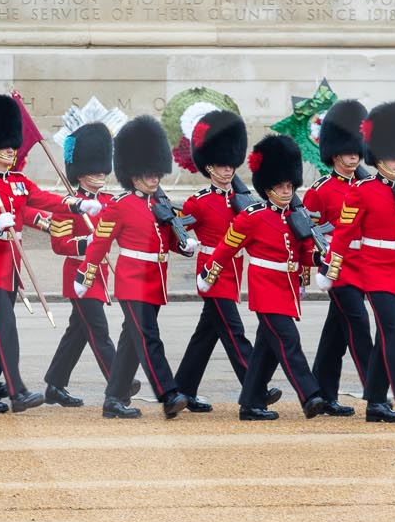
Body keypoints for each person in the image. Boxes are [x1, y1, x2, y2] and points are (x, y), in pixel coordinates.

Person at [0, 93, 86, 414]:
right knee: (6, 330)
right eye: (6, 146)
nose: (12, 151)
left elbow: (47, 200)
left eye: (13, 145)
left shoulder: (19, 182)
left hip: (11, 268)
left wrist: (78, 205)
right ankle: (17, 391)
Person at [197, 133, 328, 420]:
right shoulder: (252, 217)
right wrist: (209, 273)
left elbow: (303, 253)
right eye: (280, 186)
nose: (286, 191)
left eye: (290, 186)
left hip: (287, 288)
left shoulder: (296, 216)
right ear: (267, 188)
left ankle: (250, 403)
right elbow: (227, 248)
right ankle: (310, 395)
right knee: (288, 342)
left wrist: (319, 258)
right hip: (265, 289)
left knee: (266, 350)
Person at [77, 113, 197, 420]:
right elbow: (101, 243)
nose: (155, 178)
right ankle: (168, 393)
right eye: (148, 174)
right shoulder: (119, 205)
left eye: (157, 173)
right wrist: (86, 273)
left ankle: (113, 400)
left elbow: (166, 238)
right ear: (133, 175)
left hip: (155, 280)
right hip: (132, 280)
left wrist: (183, 245)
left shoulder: (160, 203)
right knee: (148, 337)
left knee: (131, 341)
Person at [323, 100, 395, 422]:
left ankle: (374, 402)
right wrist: (332, 267)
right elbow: (343, 234)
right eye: (392, 157)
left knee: (389, 335)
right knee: (394, 333)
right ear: (378, 158)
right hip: (375, 269)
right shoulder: (362, 191)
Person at [174, 109, 270, 412]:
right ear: (209, 167)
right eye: (220, 166)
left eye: (230, 165)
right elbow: (178, 229)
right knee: (233, 332)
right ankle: (256, 390)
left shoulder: (242, 200)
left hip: (233, 270)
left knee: (207, 335)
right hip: (210, 272)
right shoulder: (199, 202)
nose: (227, 171)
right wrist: (183, 243)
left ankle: (183, 390)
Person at [42, 120, 119, 407]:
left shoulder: (111, 202)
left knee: (78, 332)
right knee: (98, 330)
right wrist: (87, 243)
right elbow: (59, 244)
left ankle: (55, 384)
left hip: (99, 274)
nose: (99, 174)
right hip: (78, 274)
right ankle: (118, 381)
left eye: (102, 168)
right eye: (93, 169)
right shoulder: (69, 204)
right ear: (81, 173)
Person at [301, 99, 370, 417]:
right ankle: (377, 390)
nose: (353, 156)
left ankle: (321, 393)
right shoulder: (320, 191)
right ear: (334, 153)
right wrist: (313, 268)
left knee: (336, 333)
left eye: (356, 150)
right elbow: (309, 234)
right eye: (347, 150)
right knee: (358, 324)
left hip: (366, 265)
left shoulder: (370, 186)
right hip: (338, 268)